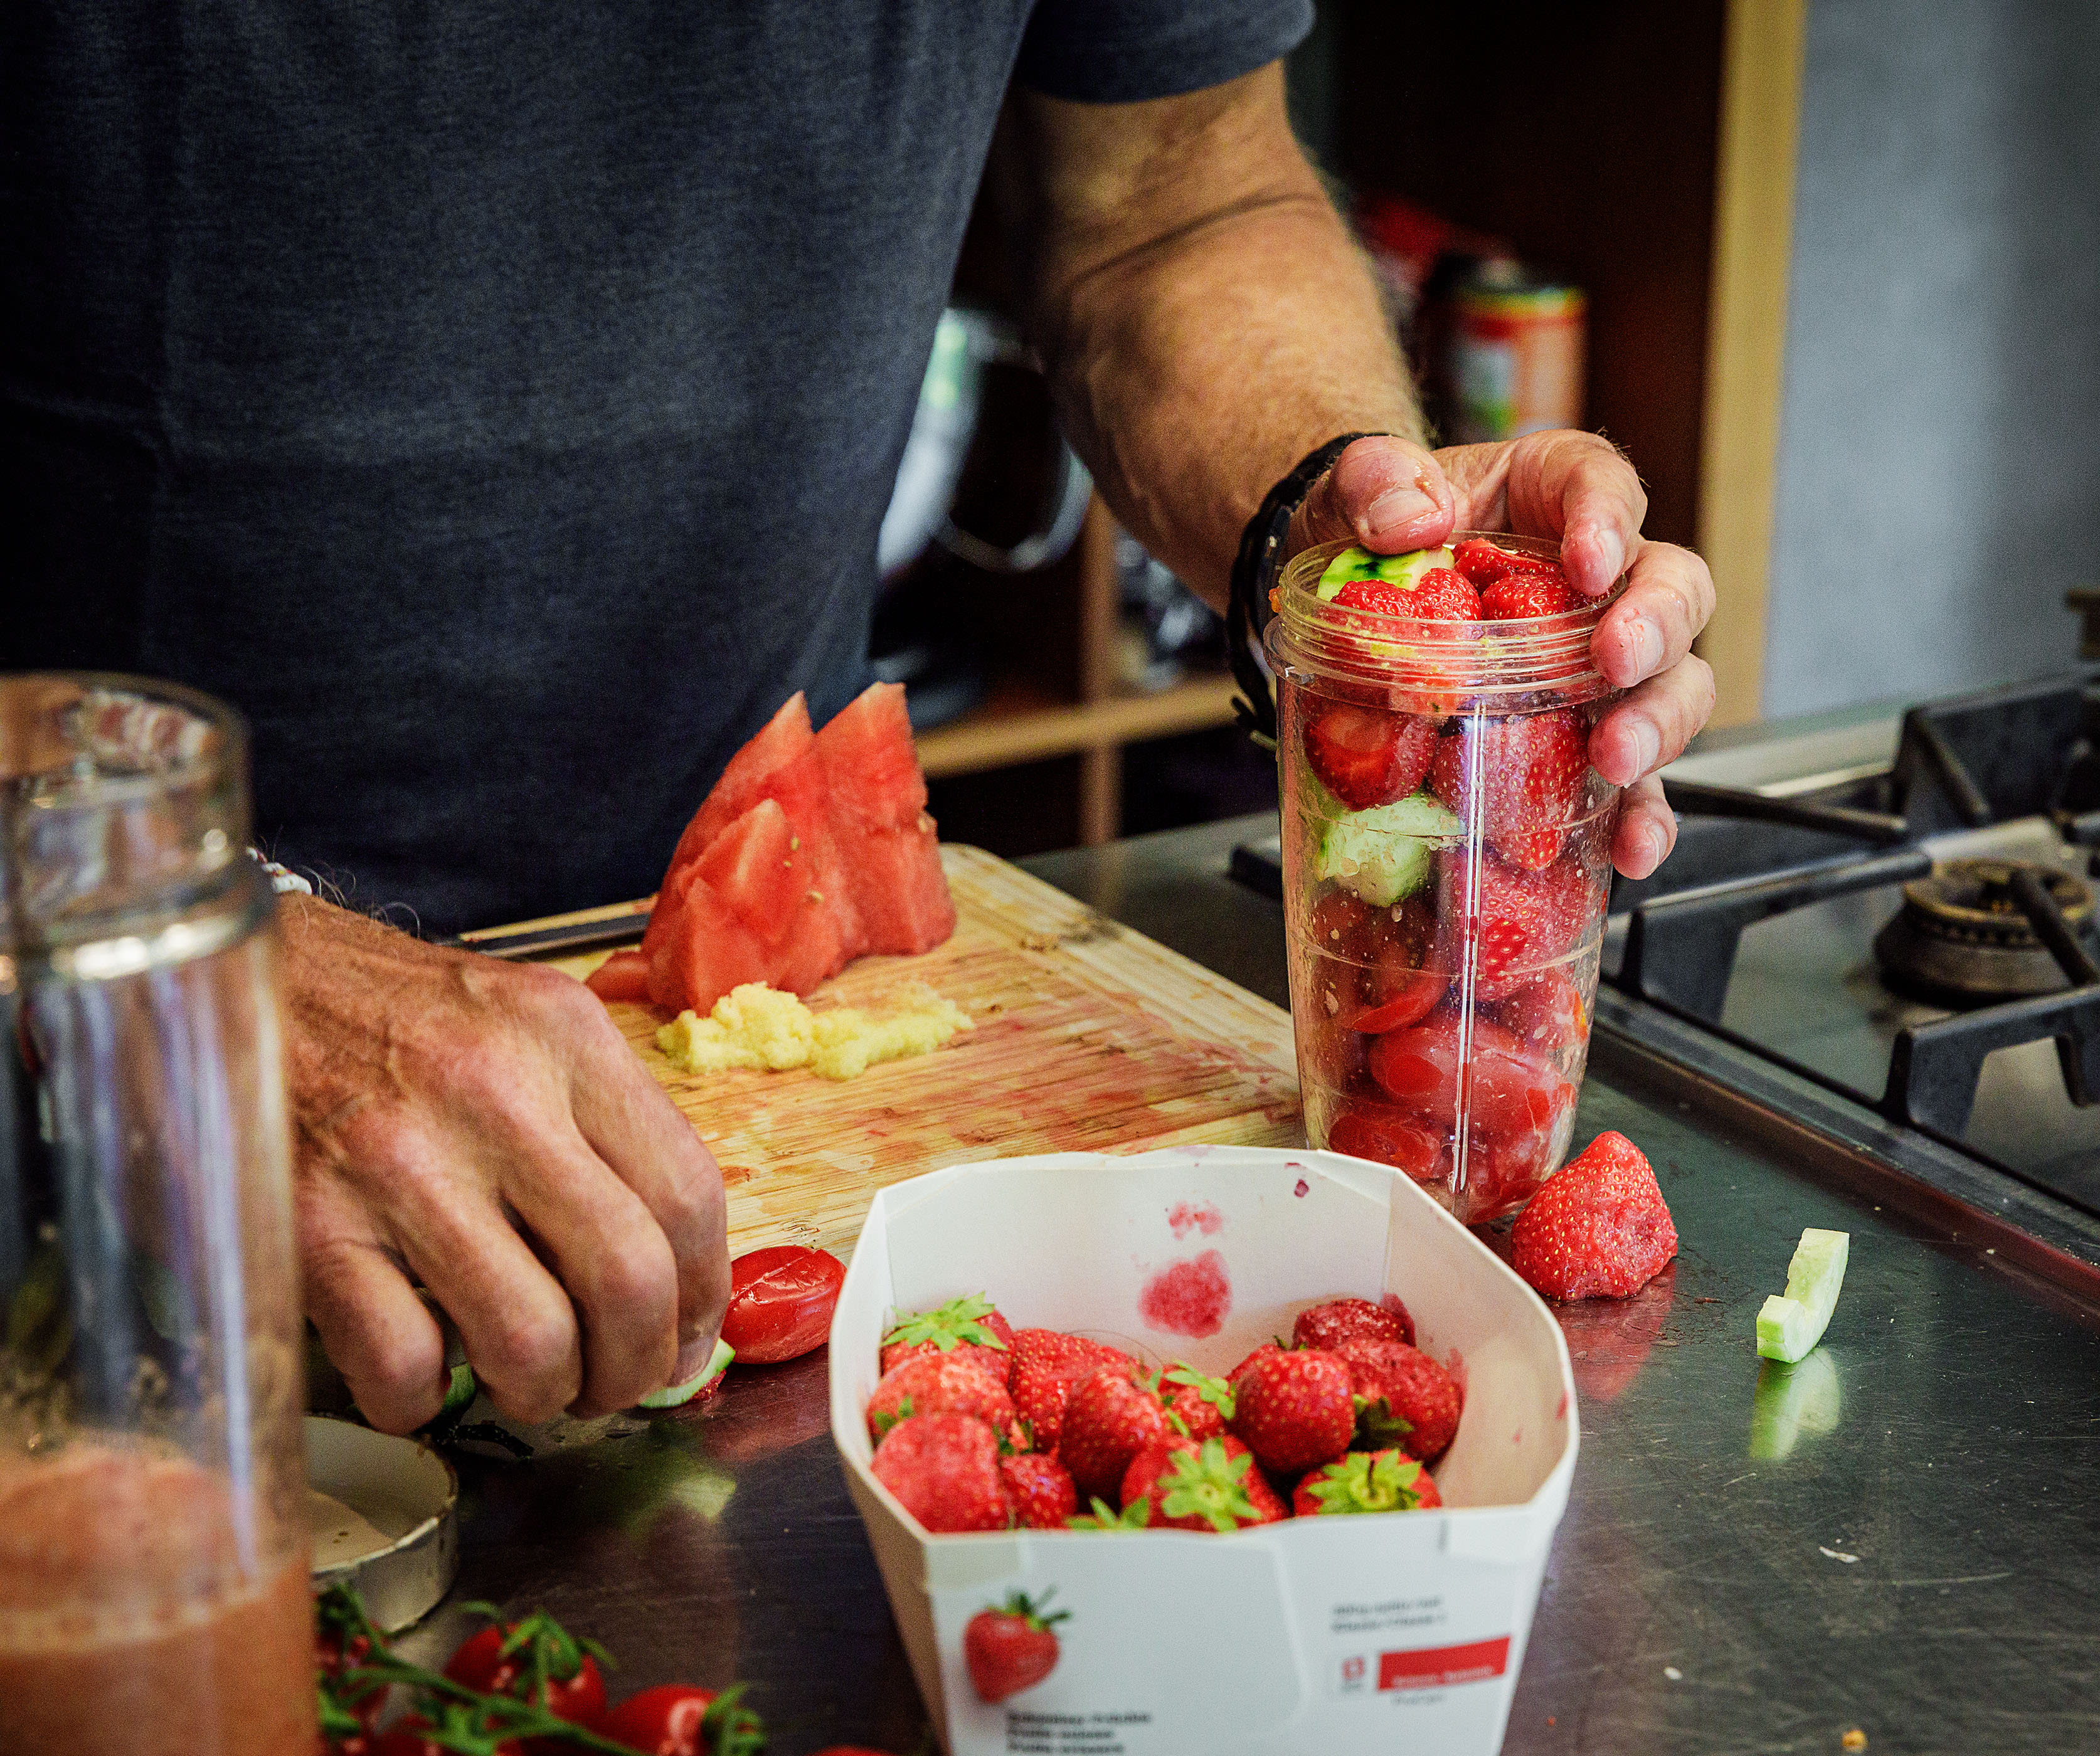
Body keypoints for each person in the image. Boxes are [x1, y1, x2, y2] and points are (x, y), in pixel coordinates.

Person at [2, 3, 1716, 1432]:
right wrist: (145, 941)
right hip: (64, 1060)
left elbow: (1171, 197)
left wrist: (1351, 546)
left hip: (738, 1047)